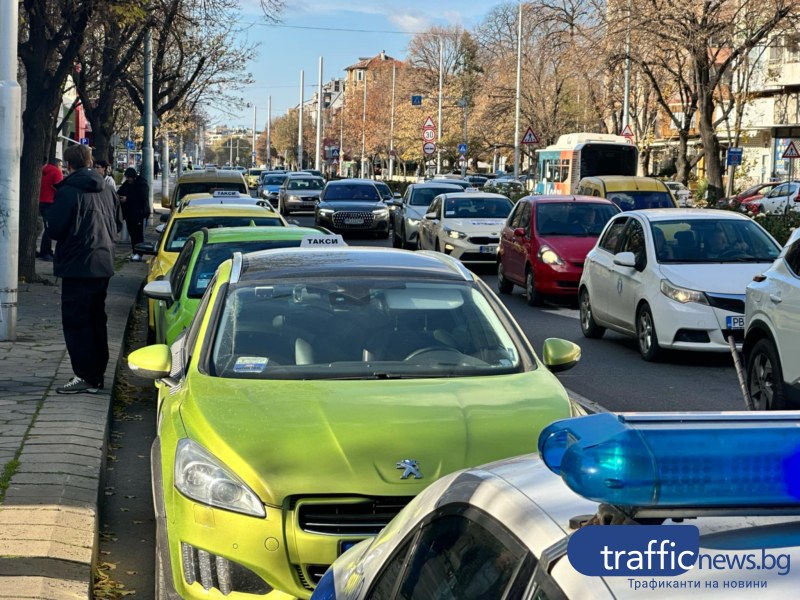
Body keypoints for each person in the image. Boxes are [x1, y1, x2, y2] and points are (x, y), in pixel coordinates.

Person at [47, 143, 122, 394]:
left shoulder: (69, 192)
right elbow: (117, 223)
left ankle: (85, 375)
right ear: (90, 162)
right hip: (103, 262)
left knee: (77, 322)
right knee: (96, 319)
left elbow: (55, 228)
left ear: (69, 166)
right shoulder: (108, 190)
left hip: (77, 265)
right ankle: (97, 374)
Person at [117, 167, 150, 261]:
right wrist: (119, 197)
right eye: (127, 178)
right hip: (129, 214)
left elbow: (142, 196)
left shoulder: (142, 184)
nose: (128, 179)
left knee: (138, 234)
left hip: (140, 213)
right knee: (132, 233)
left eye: (129, 177)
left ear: (133, 177)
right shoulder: (127, 184)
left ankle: (139, 253)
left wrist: (127, 199)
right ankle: (134, 252)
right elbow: (119, 191)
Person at [38, 158, 63, 261]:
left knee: (45, 227)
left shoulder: (42, 171)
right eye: (61, 165)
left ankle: (44, 251)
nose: (62, 168)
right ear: (57, 165)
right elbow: (60, 187)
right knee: (49, 228)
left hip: (41, 201)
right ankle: (46, 252)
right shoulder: (56, 172)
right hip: (50, 202)